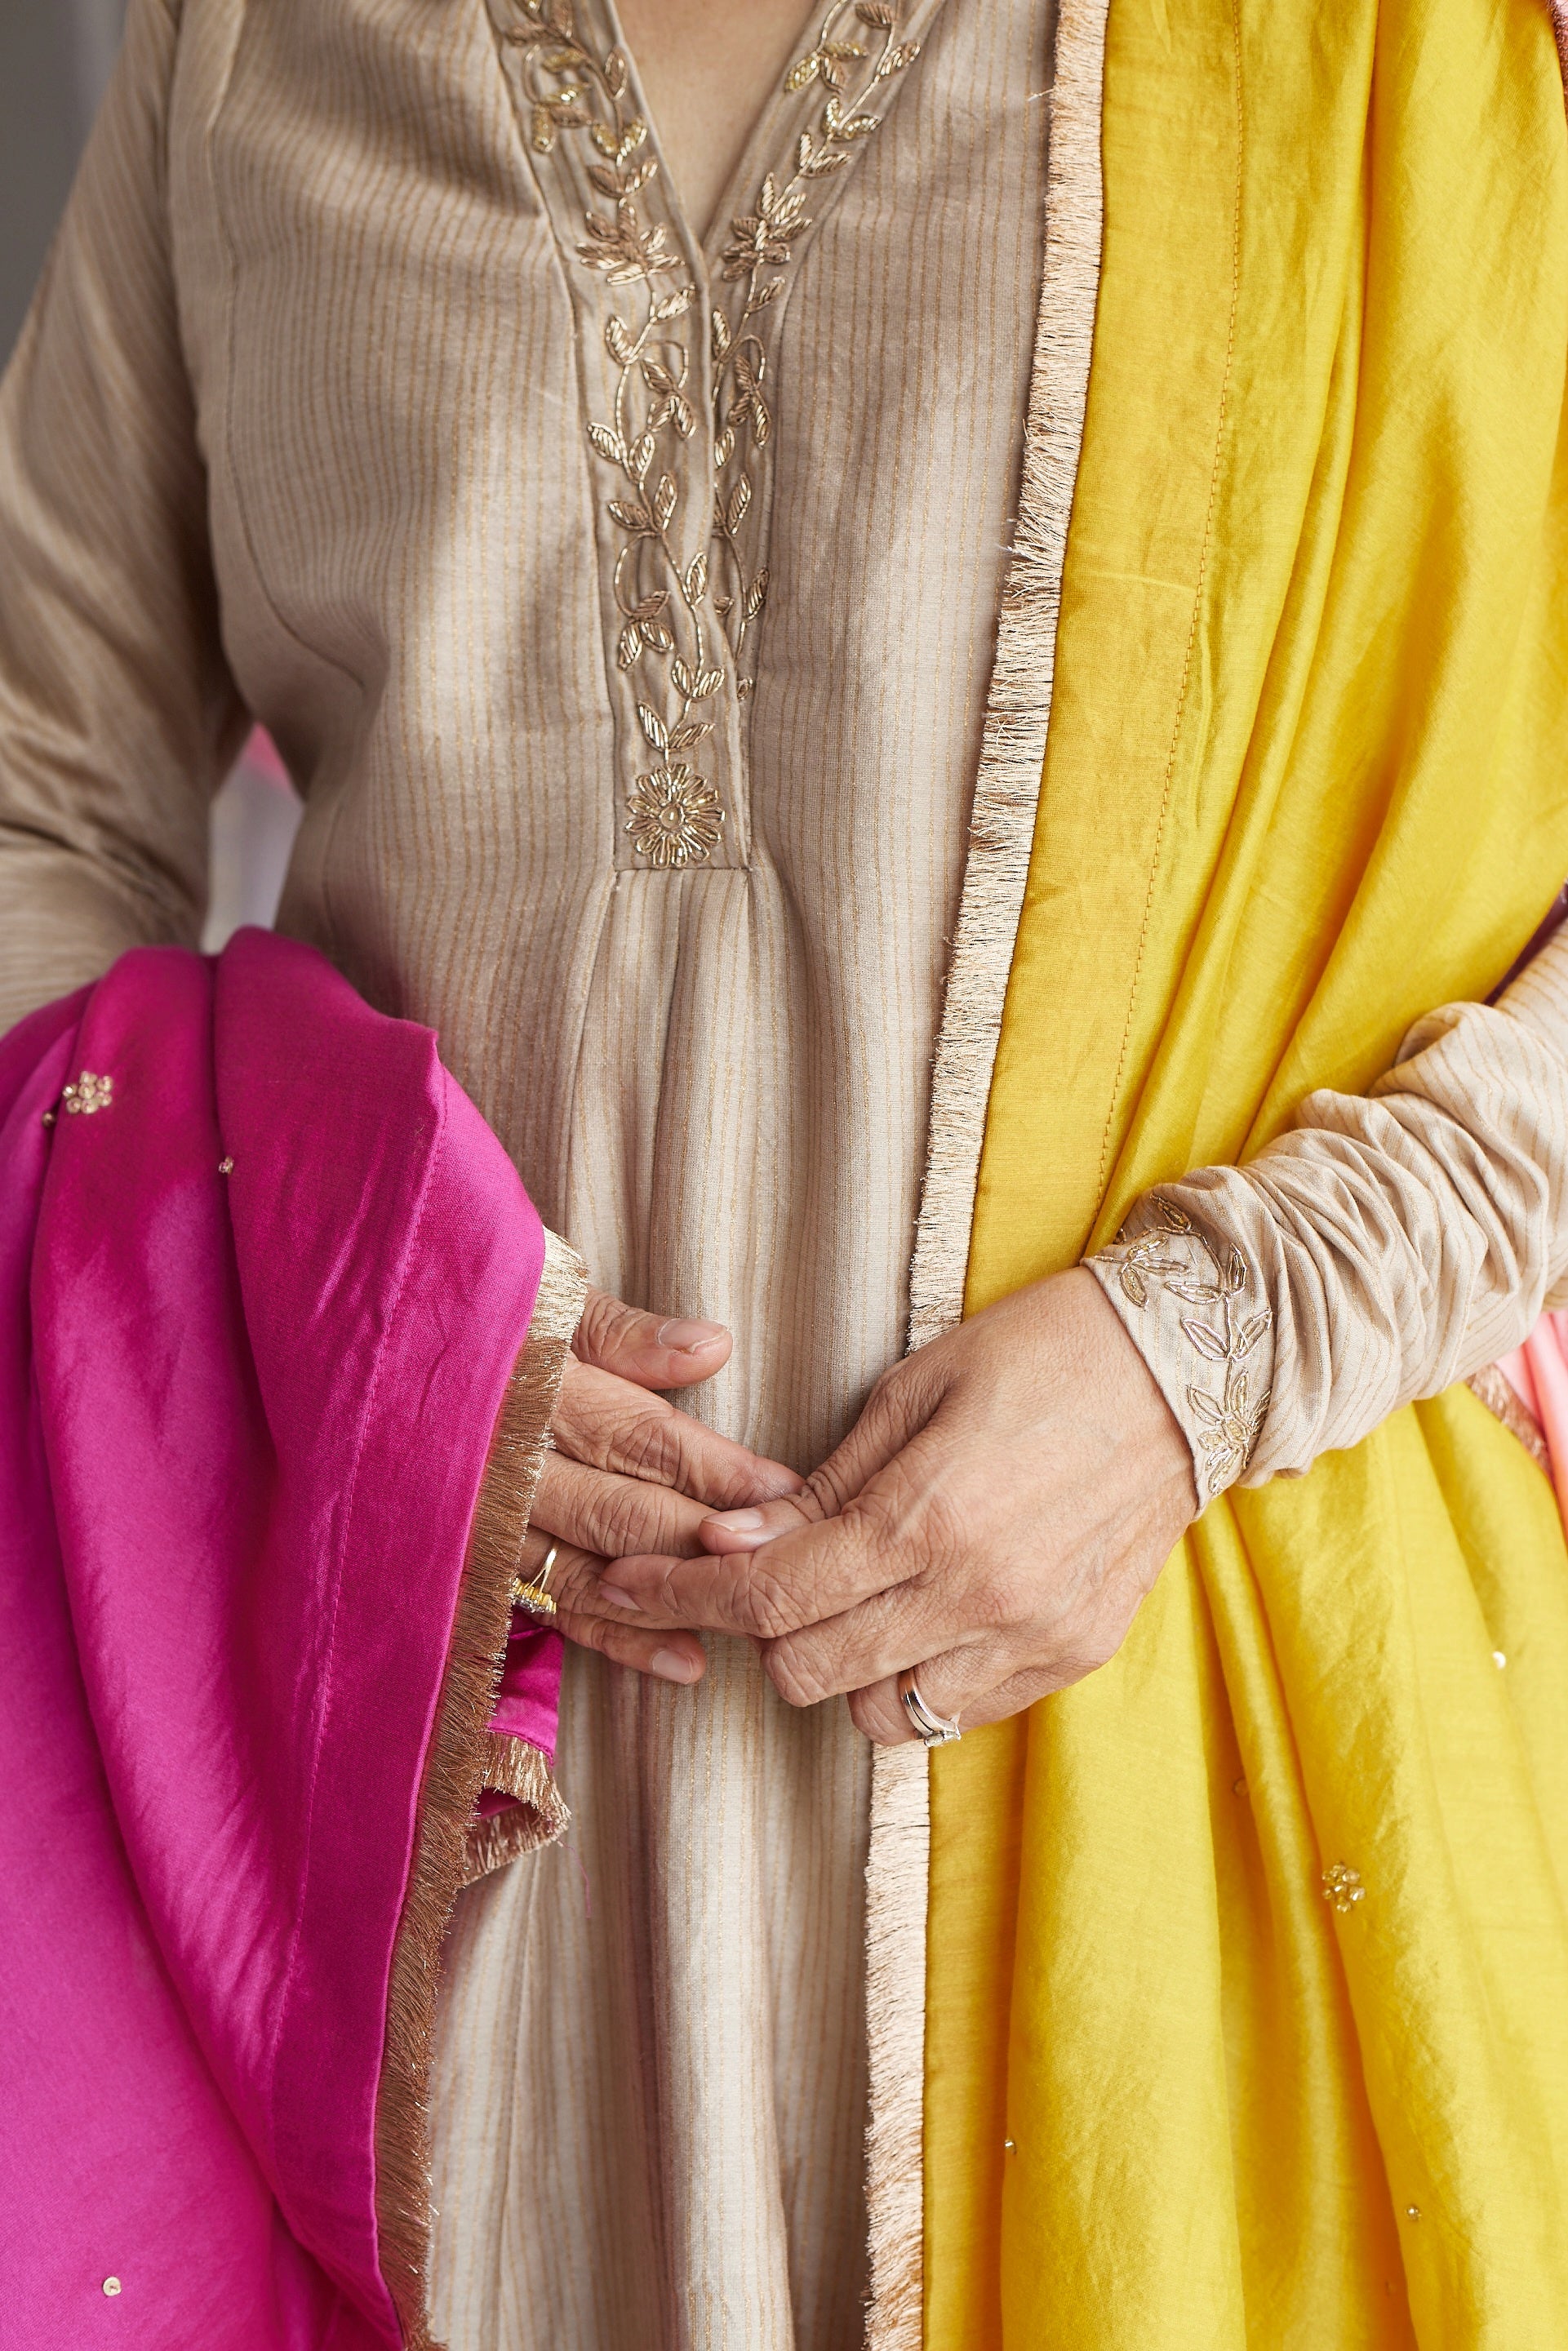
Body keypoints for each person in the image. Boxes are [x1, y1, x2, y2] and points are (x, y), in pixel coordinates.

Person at [2, 0, 1567, 2343]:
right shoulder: (248, 43)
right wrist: (341, 1340)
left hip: (1229, 1764)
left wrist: (1207, 1352)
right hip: (441, 1844)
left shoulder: (1424, 55)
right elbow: (45, 816)